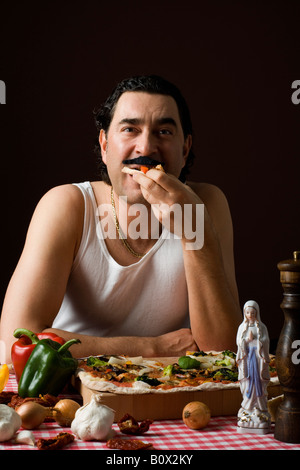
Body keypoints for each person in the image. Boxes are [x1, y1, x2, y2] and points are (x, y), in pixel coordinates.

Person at [0, 75, 241, 363]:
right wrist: (153, 348)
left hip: (168, 392)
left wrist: (193, 232)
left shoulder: (207, 205)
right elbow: (16, 342)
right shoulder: (67, 205)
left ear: (185, 149)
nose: (146, 148)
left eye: (164, 132)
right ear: (104, 145)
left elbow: (227, 352)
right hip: (73, 394)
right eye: (130, 129)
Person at [236, 300, 271, 430]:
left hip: (258, 360)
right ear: (244, 313)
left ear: (257, 313)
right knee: (247, 382)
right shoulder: (242, 327)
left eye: (252, 312)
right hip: (247, 361)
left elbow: (266, 341)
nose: (250, 315)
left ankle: (259, 409)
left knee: (259, 385)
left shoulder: (261, 327)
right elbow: (238, 342)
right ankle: (247, 408)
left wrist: (257, 341)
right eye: (248, 312)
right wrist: (245, 341)